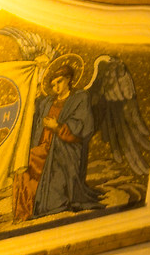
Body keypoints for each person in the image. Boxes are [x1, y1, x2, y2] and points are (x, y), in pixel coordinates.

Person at [13, 58, 103, 220]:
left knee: (34, 159)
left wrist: (58, 127)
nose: (56, 87)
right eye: (53, 85)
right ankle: (27, 210)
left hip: (66, 147)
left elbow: (82, 126)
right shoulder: (48, 101)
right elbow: (33, 113)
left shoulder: (79, 98)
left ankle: (48, 203)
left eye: (59, 82)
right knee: (23, 165)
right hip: (44, 146)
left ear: (69, 79)